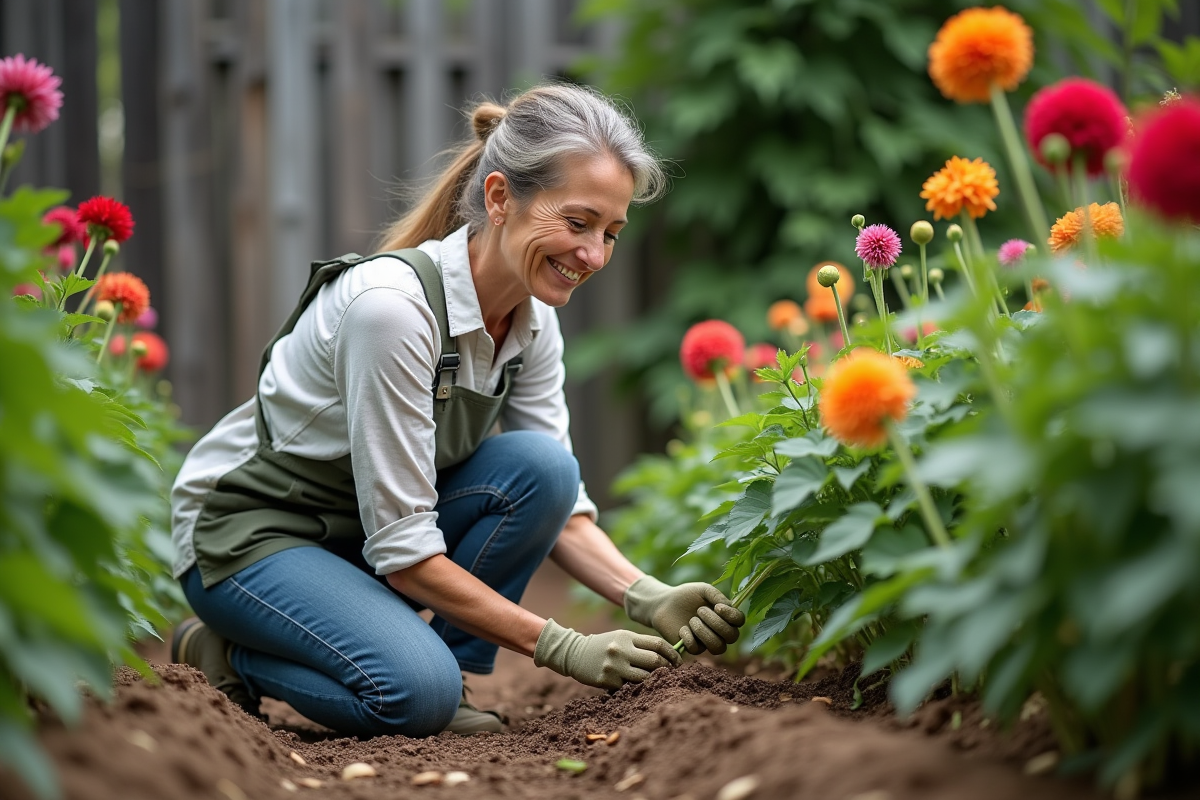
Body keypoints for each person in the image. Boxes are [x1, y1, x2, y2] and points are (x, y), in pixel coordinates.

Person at [169, 83, 746, 738]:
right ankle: (226, 651)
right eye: (578, 222)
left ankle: (449, 672)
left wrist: (647, 595)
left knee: (543, 469)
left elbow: (560, 503)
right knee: (413, 697)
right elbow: (407, 550)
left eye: (610, 233)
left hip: (355, 533)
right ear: (500, 198)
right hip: (248, 534)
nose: (594, 256)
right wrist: (562, 646)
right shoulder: (392, 312)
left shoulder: (531, 320)